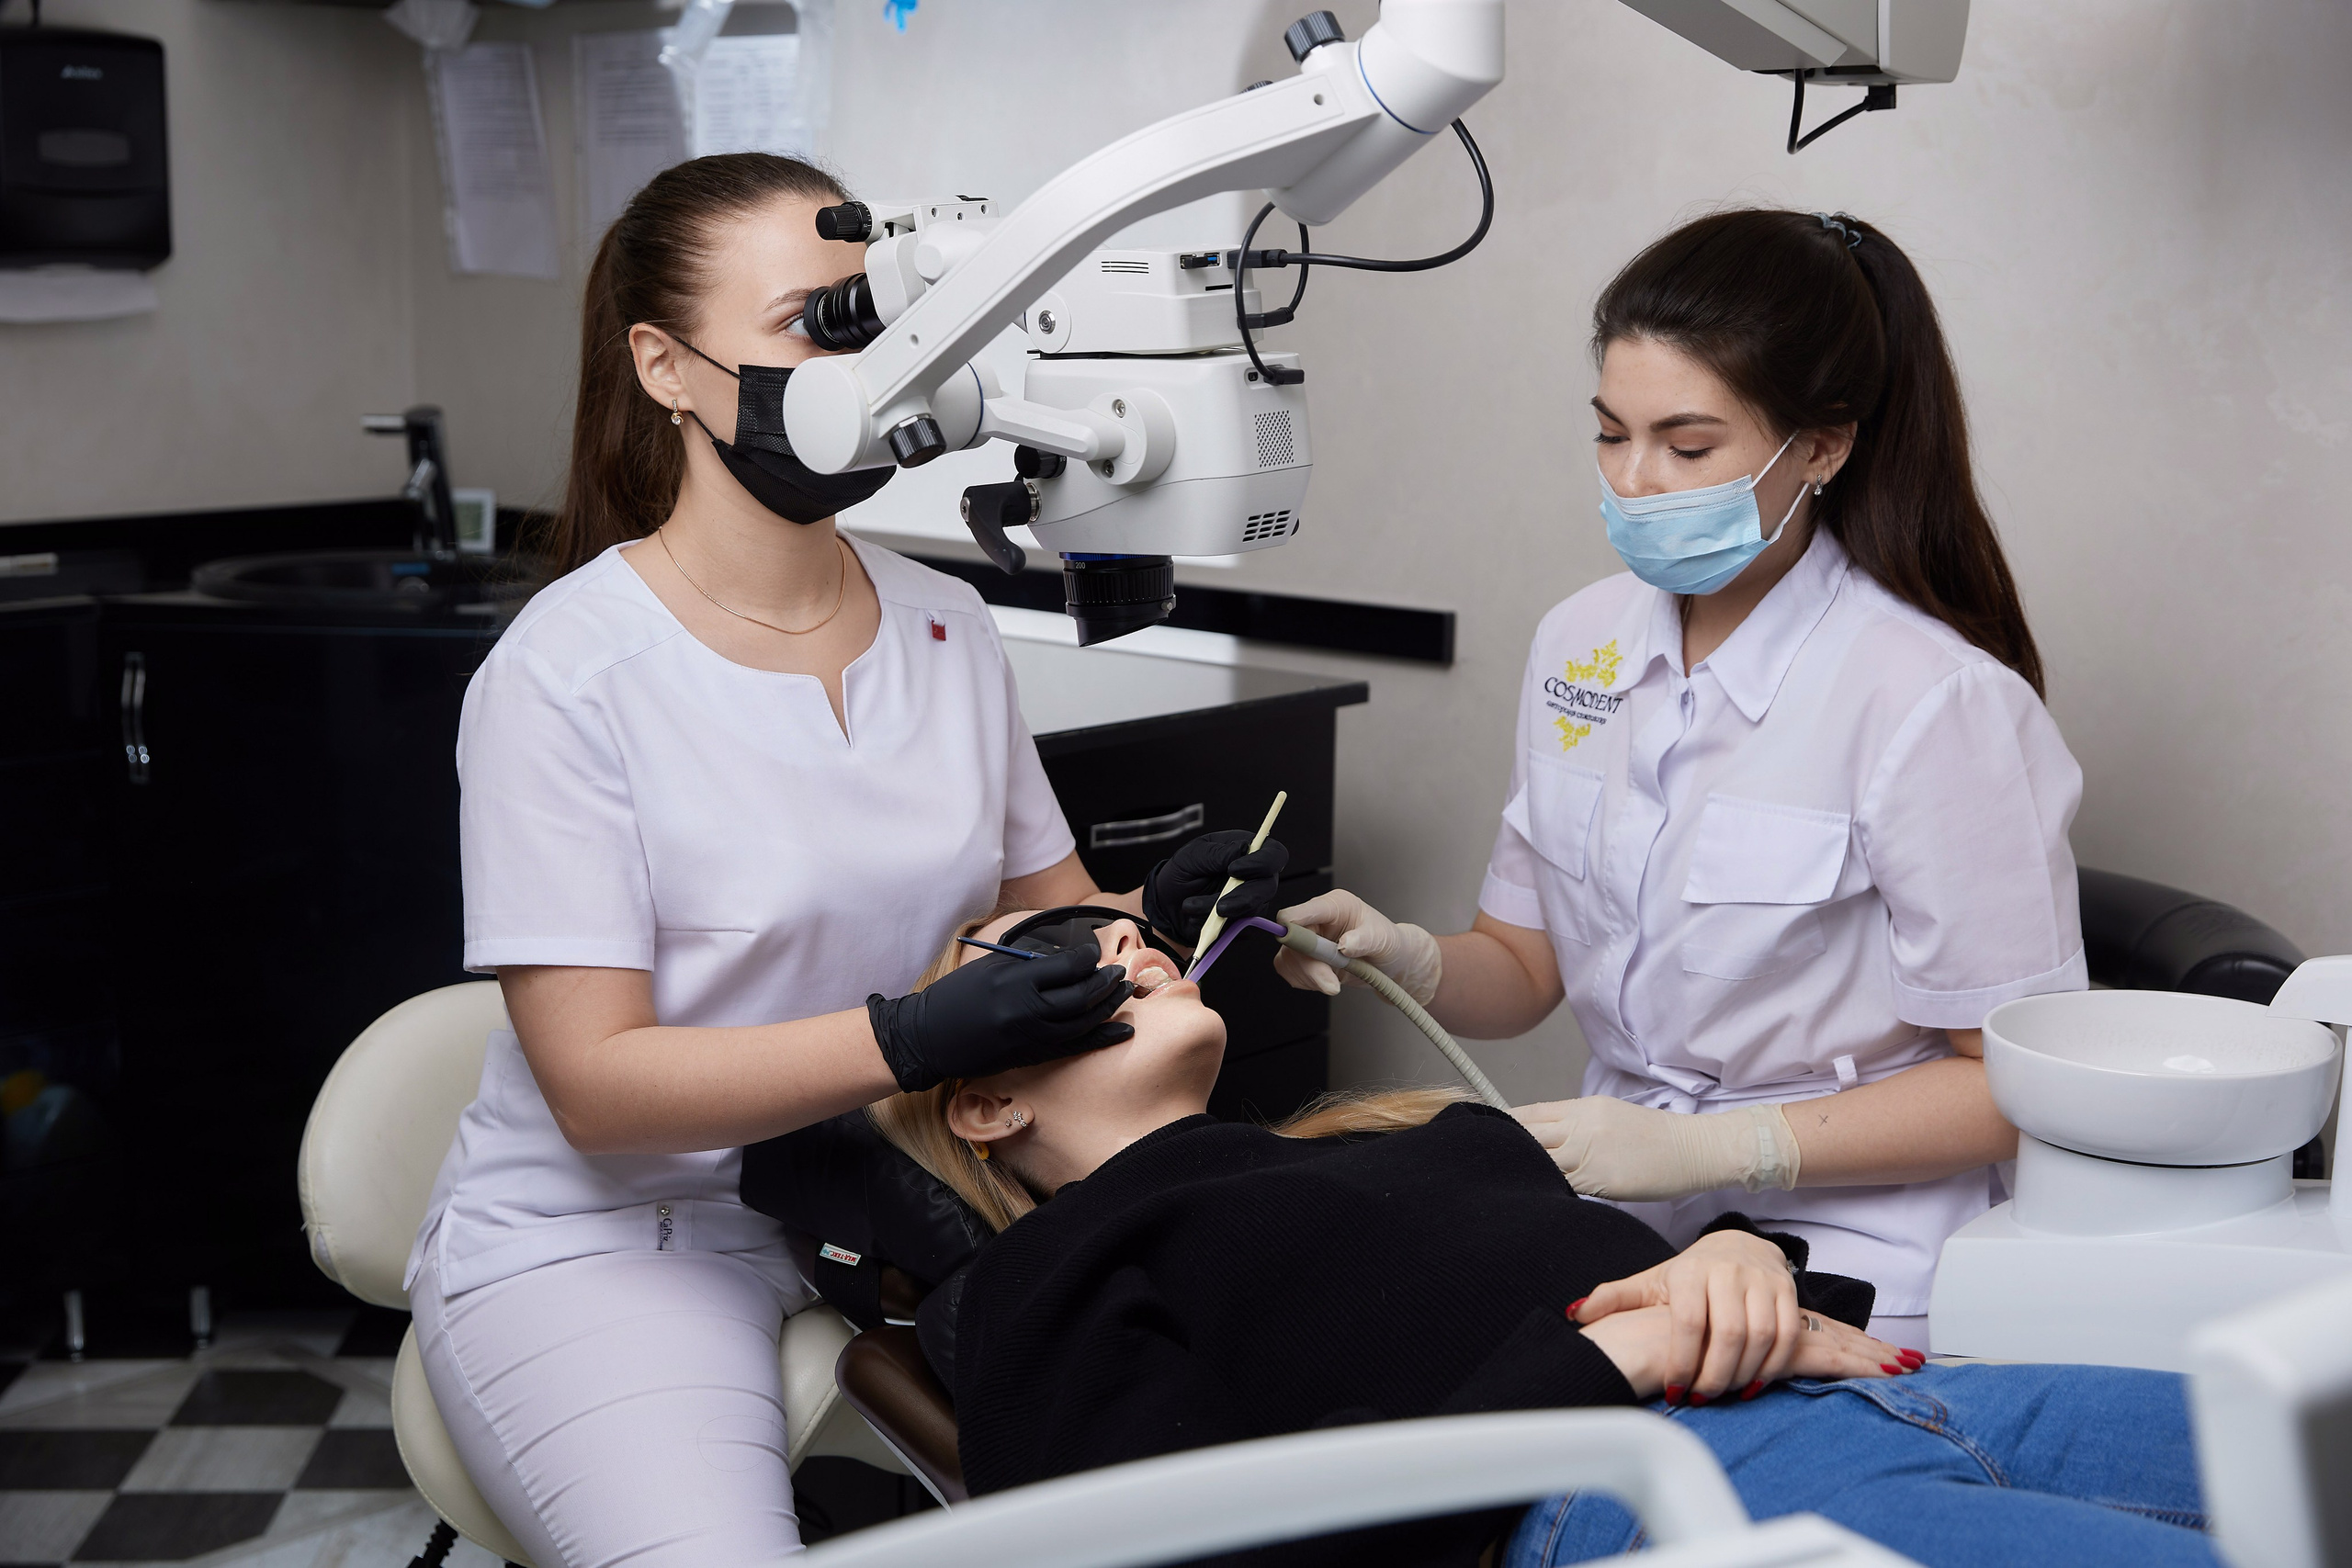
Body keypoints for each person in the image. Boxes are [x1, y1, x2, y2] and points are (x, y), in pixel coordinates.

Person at [402, 154, 1287, 1568]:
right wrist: (908, 1036)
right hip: (626, 1232)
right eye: (817, 321)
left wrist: (1162, 908)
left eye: (880, 318)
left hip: (887, 1202)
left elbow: (1046, 929)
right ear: (667, 367)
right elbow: (598, 1083)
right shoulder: (566, 673)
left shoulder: (943, 624)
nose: (871, 362)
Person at [1276, 209, 2085, 1348]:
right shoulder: (1581, 642)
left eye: (1688, 446)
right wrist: (1399, 959)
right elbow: (1520, 969)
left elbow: (2015, 1085)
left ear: (1821, 446)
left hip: (1858, 1253)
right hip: (1615, 1216)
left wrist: (1727, 1149)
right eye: (1610, 435)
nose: (1636, 482)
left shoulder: (1932, 701)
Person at [866, 909, 2215, 1568]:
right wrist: (1610, 1372)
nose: (1119, 939)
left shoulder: (1387, 1135)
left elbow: (1626, 1273)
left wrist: (1745, 1253)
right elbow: (1213, 1546)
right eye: (1043, 959)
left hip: (1877, 1391)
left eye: (1129, 934)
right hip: (1647, 1494)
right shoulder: (1042, 1279)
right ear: (982, 1098)